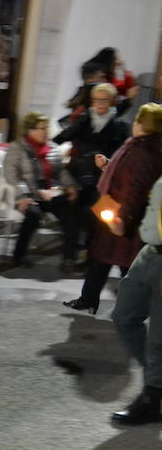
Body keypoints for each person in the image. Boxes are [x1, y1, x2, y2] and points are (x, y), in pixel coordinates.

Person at [64, 104, 162, 315]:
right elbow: (128, 174)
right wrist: (109, 165)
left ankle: (136, 309)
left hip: (124, 215)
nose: (134, 122)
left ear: (145, 124)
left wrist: (123, 220)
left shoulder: (144, 152)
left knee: (129, 265)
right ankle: (88, 299)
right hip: (117, 211)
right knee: (102, 258)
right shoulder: (138, 146)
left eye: (138, 119)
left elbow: (136, 188)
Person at [109, 169, 162, 429]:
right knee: (124, 317)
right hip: (150, 252)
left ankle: (153, 396)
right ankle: (157, 380)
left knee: (158, 338)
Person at [53, 83, 130, 257]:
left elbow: (124, 152)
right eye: (96, 100)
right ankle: (70, 255)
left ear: (111, 102)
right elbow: (59, 139)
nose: (100, 104)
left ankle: (89, 255)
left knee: (96, 217)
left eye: (104, 100)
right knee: (72, 216)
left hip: (103, 178)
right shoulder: (83, 119)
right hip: (78, 176)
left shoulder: (120, 125)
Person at [5, 112, 78, 269]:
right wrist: (25, 195)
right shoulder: (17, 148)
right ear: (29, 130)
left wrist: (70, 185)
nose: (45, 132)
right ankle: (19, 255)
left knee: (70, 216)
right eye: (41, 128)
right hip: (28, 193)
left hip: (49, 192)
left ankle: (69, 258)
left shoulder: (51, 148)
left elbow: (60, 171)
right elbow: (12, 177)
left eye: (46, 128)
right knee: (33, 215)